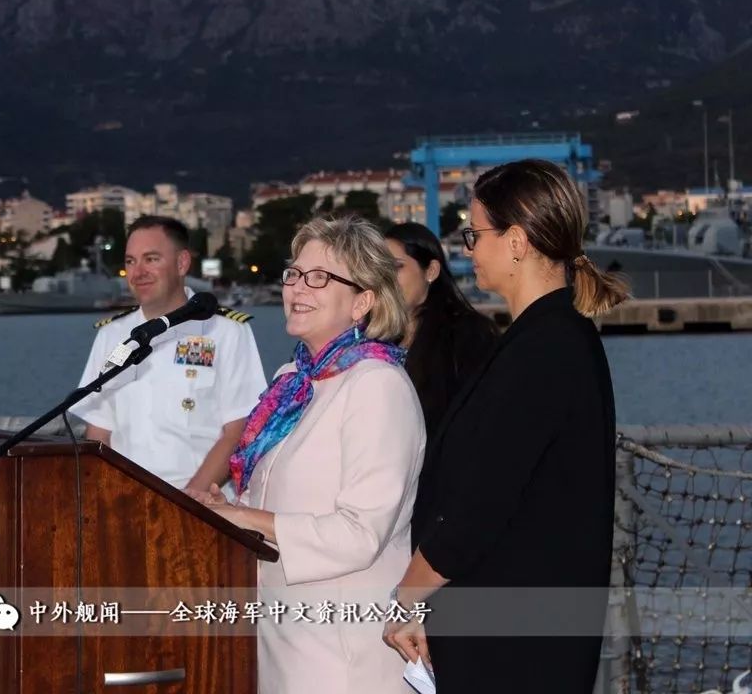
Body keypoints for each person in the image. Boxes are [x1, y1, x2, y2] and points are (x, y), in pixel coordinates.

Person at [384, 160, 630, 694]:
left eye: (474, 233)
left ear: (516, 241)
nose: (467, 248)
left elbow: (480, 503)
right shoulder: (543, 338)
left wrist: (407, 596)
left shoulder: (546, 348)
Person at [199, 214, 425, 693]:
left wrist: (252, 520)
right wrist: (229, 511)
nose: (298, 288)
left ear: (362, 300)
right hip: (280, 637)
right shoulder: (292, 382)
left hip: (343, 654)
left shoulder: (376, 386)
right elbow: (279, 499)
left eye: (320, 278)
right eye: (294, 274)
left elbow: (361, 534)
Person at [70, 215, 267, 491]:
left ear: (182, 263)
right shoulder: (111, 335)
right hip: (126, 504)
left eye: (151, 259)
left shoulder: (225, 332)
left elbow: (239, 431)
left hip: (201, 507)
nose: (137, 273)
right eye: (130, 261)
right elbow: (99, 433)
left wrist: (185, 504)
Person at [384, 222, 498, 438]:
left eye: (396, 267)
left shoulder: (468, 335)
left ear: (431, 271)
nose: (385, 278)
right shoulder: (375, 340)